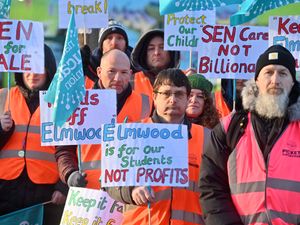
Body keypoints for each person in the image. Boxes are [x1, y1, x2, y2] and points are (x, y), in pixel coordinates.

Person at [199, 45, 300, 225]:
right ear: (257, 80)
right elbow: (212, 186)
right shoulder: (231, 127)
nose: (275, 80)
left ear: (293, 82)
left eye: (283, 73)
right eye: (268, 72)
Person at [106, 68, 210, 225]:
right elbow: (110, 184)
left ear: (187, 98)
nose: (173, 100)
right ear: (154, 97)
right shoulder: (131, 133)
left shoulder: (207, 137)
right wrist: (131, 190)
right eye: (166, 93)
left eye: (179, 94)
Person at [56, 49, 151, 189]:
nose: (118, 78)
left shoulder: (146, 104)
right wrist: (69, 174)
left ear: (130, 74)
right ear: (99, 72)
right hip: (88, 195)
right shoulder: (79, 103)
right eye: (111, 71)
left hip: (129, 195)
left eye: (124, 72)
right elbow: (64, 149)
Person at [0, 44, 67, 224]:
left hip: (45, 192)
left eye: (40, 68)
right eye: (28, 67)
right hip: (5, 188)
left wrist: (63, 186)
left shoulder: (60, 103)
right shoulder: (2, 96)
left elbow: (71, 147)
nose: (33, 74)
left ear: (49, 71)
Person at [130, 29, 180, 105]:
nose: (157, 53)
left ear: (171, 52)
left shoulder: (184, 80)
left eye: (162, 47)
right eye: (151, 48)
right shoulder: (130, 82)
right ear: (143, 54)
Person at [82, 19, 134, 89]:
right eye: (109, 38)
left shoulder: (139, 69)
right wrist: (75, 66)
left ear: (126, 45)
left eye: (120, 38)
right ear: (101, 46)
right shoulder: (86, 68)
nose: (114, 43)